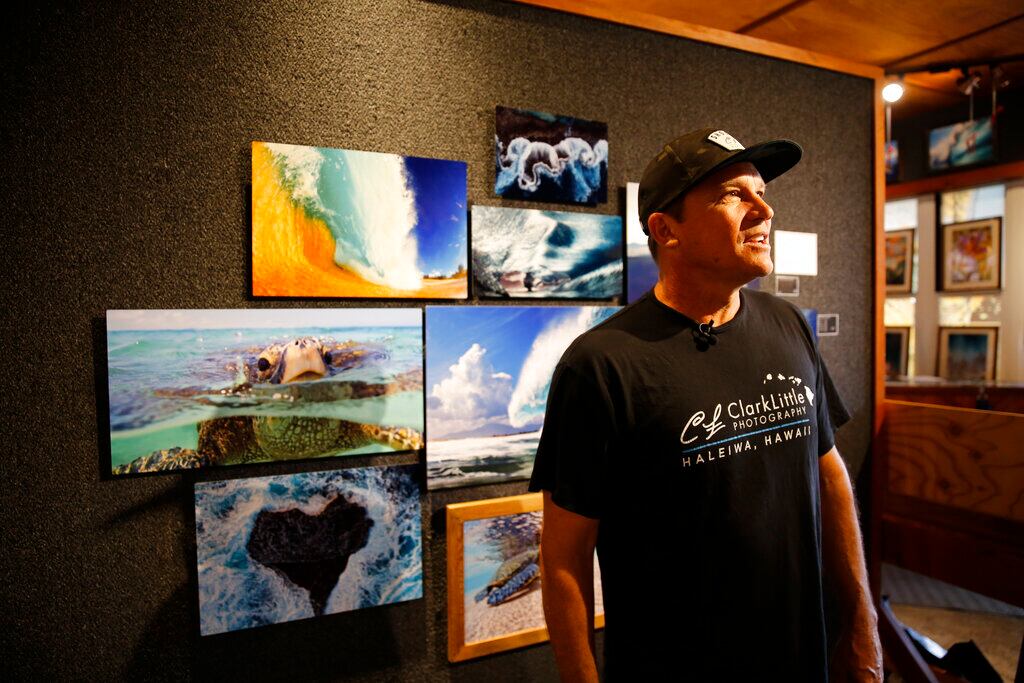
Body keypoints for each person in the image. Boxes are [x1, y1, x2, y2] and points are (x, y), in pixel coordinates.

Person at [528, 128, 882, 681]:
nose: (763, 209)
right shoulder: (600, 365)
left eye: (761, 192)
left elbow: (828, 473)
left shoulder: (789, 326)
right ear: (666, 229)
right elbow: (564, 561)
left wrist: (861, 628)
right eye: (732, 194)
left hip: (801, 657)